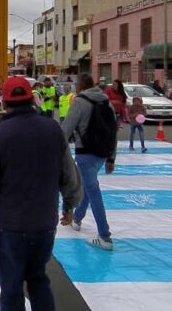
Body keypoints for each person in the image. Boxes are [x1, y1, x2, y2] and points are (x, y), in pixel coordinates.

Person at [0, 76, 82, 311]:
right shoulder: (54, 129)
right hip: (45, 223)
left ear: (5, 103)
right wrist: (70, 206)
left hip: (11, 225)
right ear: (32, 99)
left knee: (11, 287)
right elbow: (70, 174)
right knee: (38, 279)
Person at [62, 73, 117, 250]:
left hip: (86, 153)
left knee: (93, 190)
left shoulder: (79, 102)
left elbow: (65, 130)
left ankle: (105, 237)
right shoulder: (106, 101)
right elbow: (113, 131)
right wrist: (111, 158)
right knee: (88, 185)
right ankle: (78, 219)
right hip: (103, 154)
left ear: (80, 86)